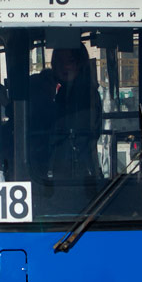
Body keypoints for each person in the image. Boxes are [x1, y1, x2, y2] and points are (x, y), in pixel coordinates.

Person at [29, 45, 101, 181]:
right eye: (59, 61)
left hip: (76, 168)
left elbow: (64, 121)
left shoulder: (84, 92)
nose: (64, 66)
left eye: (70, 61)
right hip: (64, 165)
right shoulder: (64, 92)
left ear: (80, 63)